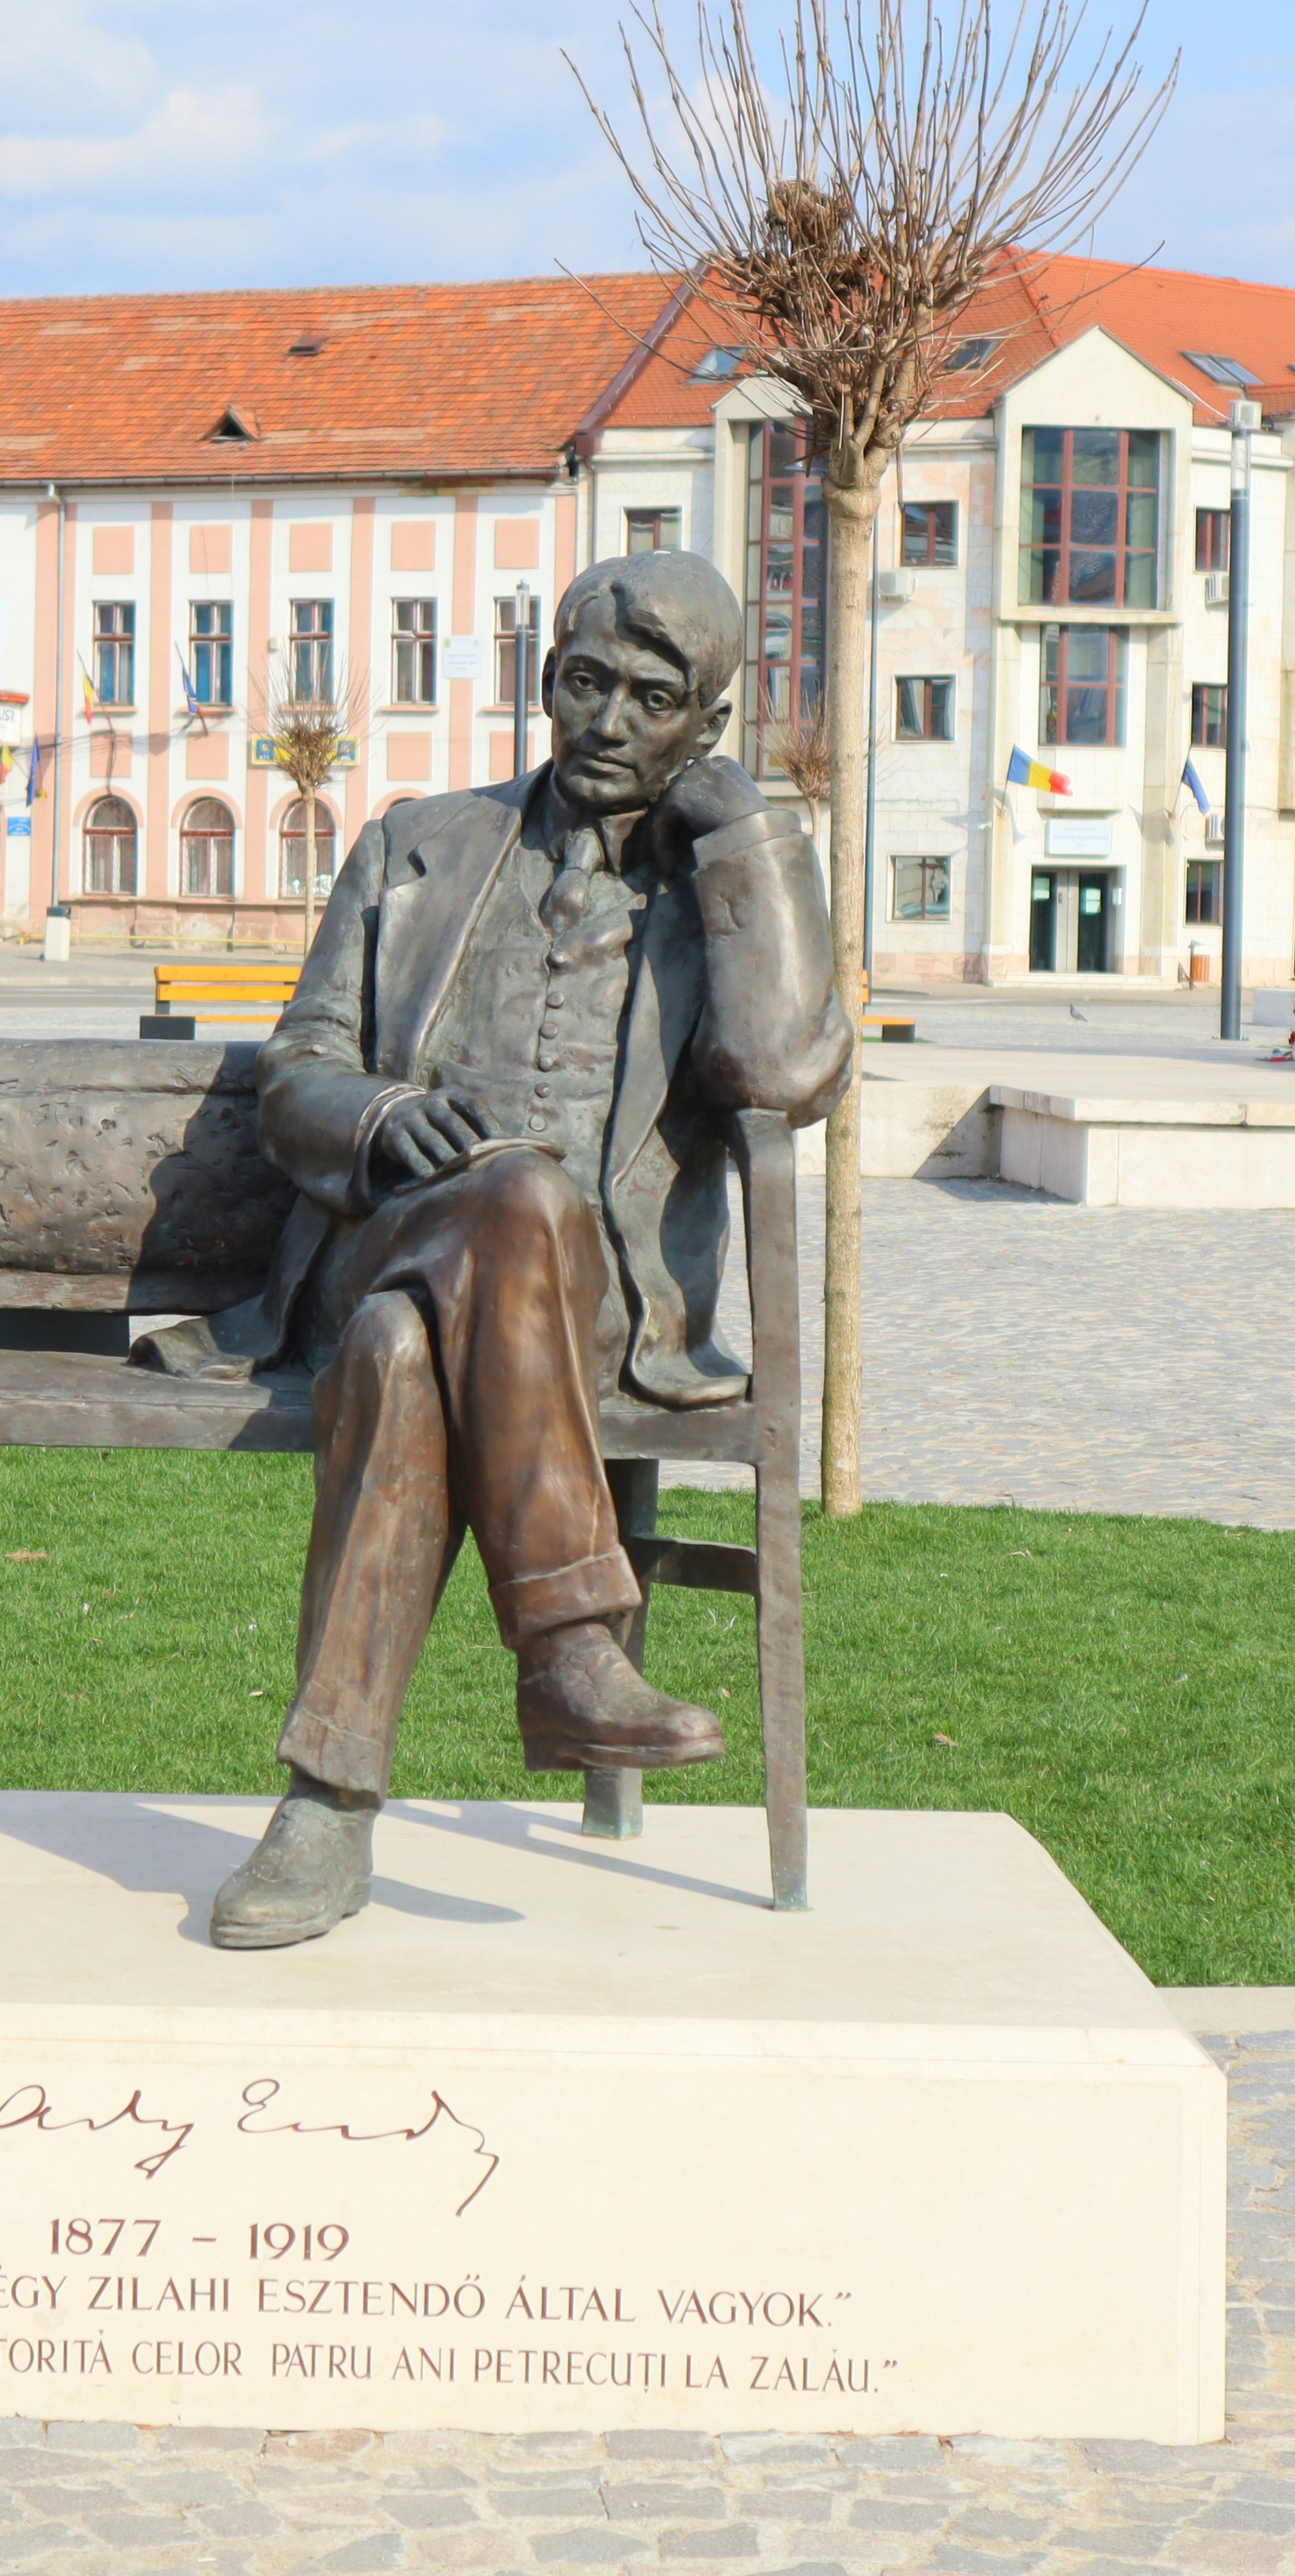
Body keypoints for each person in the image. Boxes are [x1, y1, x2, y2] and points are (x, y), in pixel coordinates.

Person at [137, 550, 848, 1949]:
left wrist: (749, 842)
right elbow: (300, 1068)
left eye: (654, 699)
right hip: (382, 1237)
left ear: (705, 728)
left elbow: (778, 1074)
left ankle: (326, 1807)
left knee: (413, 1350)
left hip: (597, 1304)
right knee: (500, 1206)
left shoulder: (725, 884)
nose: (610, 721)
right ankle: (573, 1644)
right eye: (586, 683)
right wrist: (379, 1109)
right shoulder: (419, 844)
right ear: (545, 682)